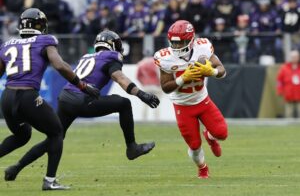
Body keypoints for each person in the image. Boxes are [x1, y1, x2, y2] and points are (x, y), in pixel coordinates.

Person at [5, 30, 160, 181]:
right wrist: (140, 94)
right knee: (124, 103)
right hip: (82, 99)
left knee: (54, 138)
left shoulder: (87, 56)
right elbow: (119, 78)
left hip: (65, 98)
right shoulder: (111, 57)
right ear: (112, 45)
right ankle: (131, 147)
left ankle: (16, 167)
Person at [0, 8, 99, 190]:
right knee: (56, 133)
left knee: (22, 135)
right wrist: (82, 85)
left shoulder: (7, 44)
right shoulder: (46, 40)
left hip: (7, 97)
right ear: (40, 25)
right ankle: (50, 181)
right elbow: (60, 65)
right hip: (27, 96)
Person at [154, 20, 228, 179]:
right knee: (194, 146)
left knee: (222, 133)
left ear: (191, 39)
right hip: (183, 106)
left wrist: (212, 71)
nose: (177, 46)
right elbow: (165, 87)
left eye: (181, 42)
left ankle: (210, 136)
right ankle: (203, 168)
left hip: (203, 100)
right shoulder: (166, 58)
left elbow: (223, 71)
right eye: (174, 43)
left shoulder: (203, 47)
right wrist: (183, 79)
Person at [136, 56, 161, 120]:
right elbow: (158, 73)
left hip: (146, 86)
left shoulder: (141, 63)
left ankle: (144, 119)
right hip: (155, 86)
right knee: (156, 103)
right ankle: (157, 119)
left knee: (145, 103)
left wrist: (143, 83)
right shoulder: (155, 62)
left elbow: (138, 76)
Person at [277, 50, 300, 118]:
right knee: (289, 114)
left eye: (296, 57)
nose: (294, 58)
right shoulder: (284, 68)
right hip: (289, 94)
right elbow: (279, 81)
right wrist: (279, 90)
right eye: (292, 57)